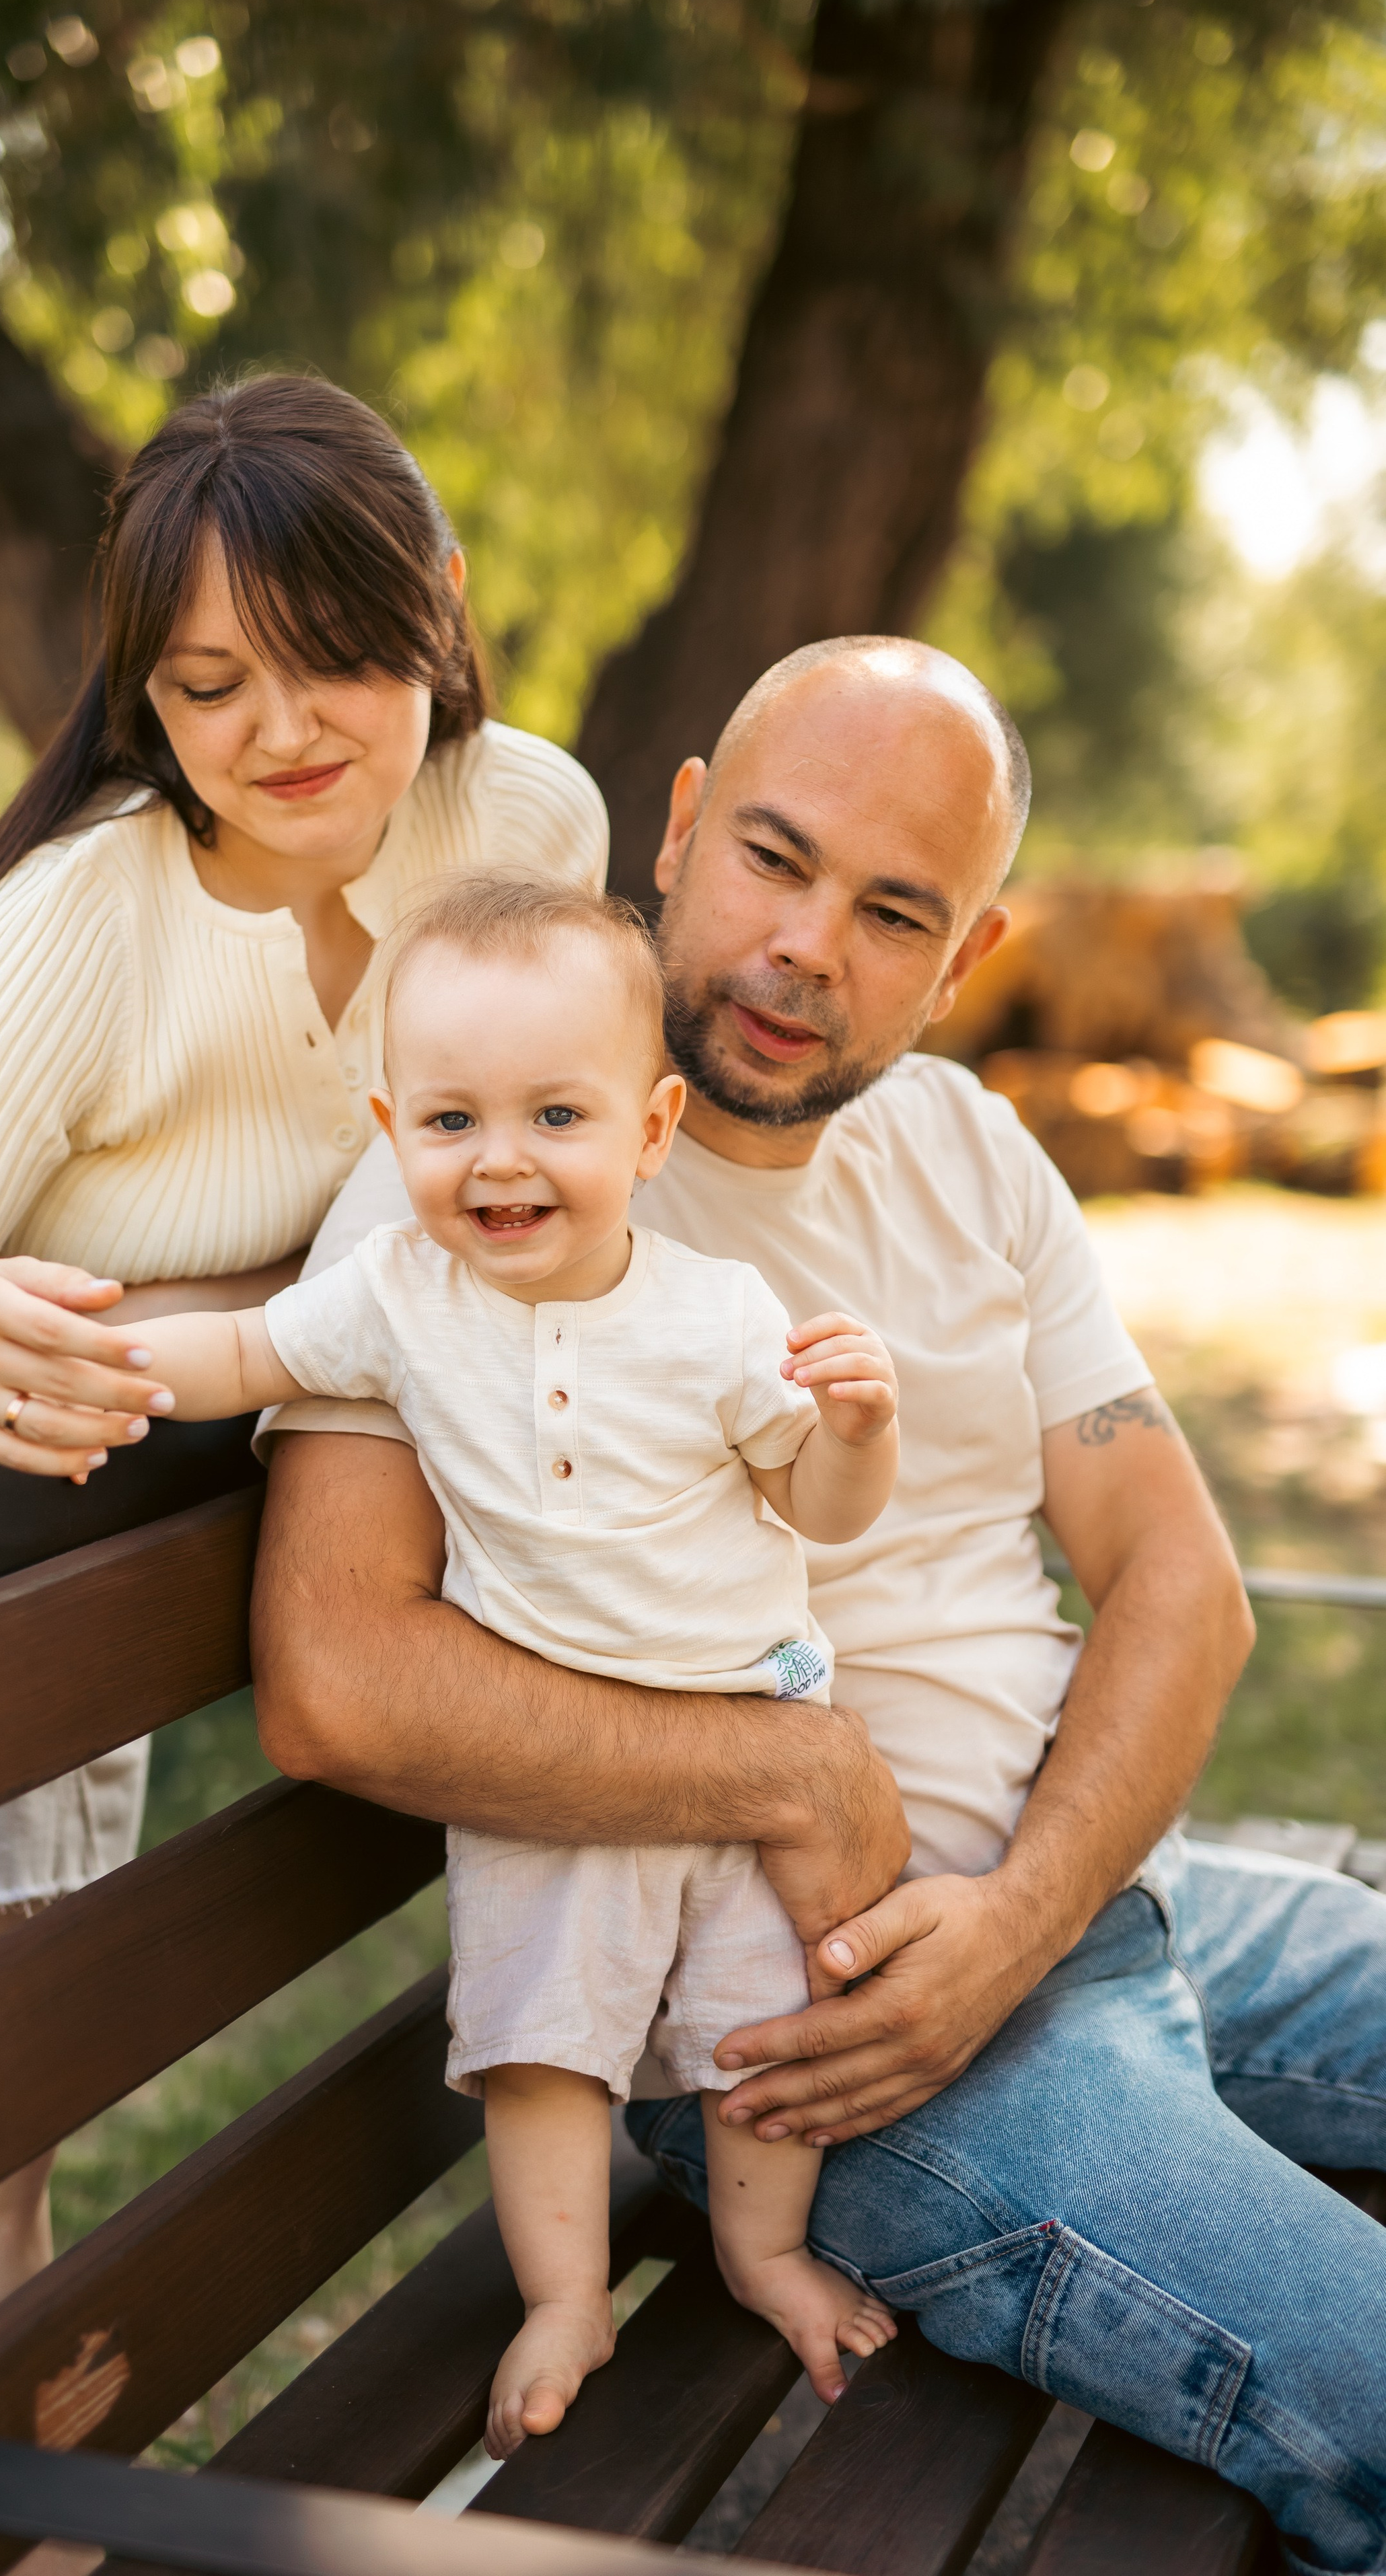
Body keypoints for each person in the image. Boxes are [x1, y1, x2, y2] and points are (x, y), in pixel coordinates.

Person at [252, 637, 1386, 2571]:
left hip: (1090, 1898)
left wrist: (1027, 1910)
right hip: (817, 2032)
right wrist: (794, 1778)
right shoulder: (492, 1186)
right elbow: (336, 1681)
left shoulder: (968, 1154)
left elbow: (1182, 1584)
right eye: (773, 860)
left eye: (891, 914)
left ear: (969, 957)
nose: (805, 949)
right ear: (682, 830)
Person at [0, 375, 605, 2408]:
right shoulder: (75, 934)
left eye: (338, 657)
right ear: (145, 703)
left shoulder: (522, 819)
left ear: (441, 603)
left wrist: (204, 1289)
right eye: (207, 688)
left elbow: (418, 1245)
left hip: (74, 1507)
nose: (279, 735)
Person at [120, 874, 901, 2452]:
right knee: (543, 2051)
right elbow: (241, 1355)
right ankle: (565, 2294)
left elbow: (813, 1504)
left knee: (764, 2035)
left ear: (651, 1127)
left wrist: (857, 1432)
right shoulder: (397, 1303)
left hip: (747, 1728)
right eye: (452, 1121)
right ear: (390, 1124)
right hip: (548, 1777)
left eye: (556, 1113)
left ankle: (760, 2253)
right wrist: (96, 1358)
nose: (500, 1162)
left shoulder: (714, 1316)